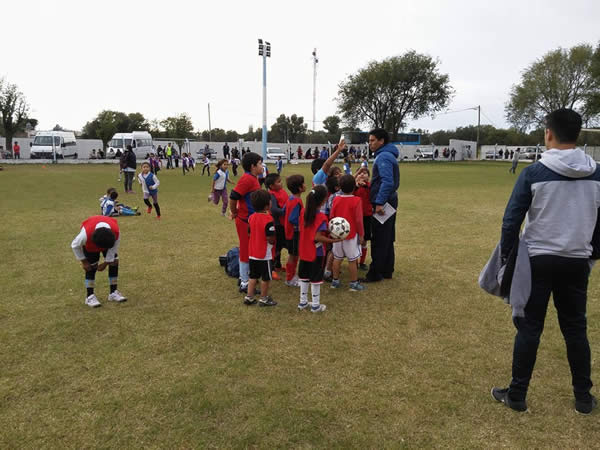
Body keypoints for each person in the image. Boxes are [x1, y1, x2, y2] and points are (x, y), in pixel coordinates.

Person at [491, 108, 599, 415]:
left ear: (548, 133)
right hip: (576, 260)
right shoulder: (597, 173)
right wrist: (592, 254)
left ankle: (518, 395)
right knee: (576, 329)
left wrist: (505, 258)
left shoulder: (534, 173)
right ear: (577, 134)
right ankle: (582, 398)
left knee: (529, 327)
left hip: (537, 259)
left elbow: (511, 221)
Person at [298, 185, 343, 313]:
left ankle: (302, 302)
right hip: (316, 253)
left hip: (304, 250)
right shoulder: (321, 217)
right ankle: (316, 305)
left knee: (304, 277)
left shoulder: (303, 212)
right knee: (316, 280)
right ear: (324, 200)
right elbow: (317, 237)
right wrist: (334, 240)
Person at [363, 128, 399, 283]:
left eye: (372, 140)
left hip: (383, 202)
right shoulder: (387, 155)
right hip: (389, 200)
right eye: (369, 140)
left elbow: (388, 182)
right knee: (388, 236)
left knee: (379, 238)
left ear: (381, 141)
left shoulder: (383, 156)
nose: (370, 143)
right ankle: (387, 270)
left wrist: (379, 203)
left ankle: (375, 273)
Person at [71, 215, 127, 307]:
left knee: (114, 261)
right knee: (90, 267)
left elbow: (113, 250)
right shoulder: (85, 235)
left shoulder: (116, 232)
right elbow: (74, 245)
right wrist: (84, 262)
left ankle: (113, 293)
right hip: (91, 243)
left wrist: (106, 263)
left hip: (107, 240)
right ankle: (90, 297)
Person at [230, 152, 263, 293]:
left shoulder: (253, 178)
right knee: (245, 250)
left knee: (249, 249)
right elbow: (234, 195)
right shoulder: (247, 179)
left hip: (251, 220)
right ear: (252, 166)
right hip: (245, 221)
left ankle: (245, 276)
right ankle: (244, 282)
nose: (262, 166)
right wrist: (234, 211)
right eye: (260, 163)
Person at [330, 174, 366, 291]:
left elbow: (332, 216)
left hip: (337, 235)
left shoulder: (336, 199)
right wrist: (361, 234)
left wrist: (333, 231)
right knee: (352, 259)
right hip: (350, 235)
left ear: (340, 187)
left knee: (337, 258)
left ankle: (335, 281)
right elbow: (359, 220)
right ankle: (353, 283)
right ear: (354, 187)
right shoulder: (356, 200)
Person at [244, 190, 277, 307]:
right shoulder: (268, 219)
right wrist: (273, 242)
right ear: (267, 205)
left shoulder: (251, 217)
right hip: (265, 254)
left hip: (252, 252)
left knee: (252, 276)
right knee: (266, 278)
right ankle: (263, 298)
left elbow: (249, 233)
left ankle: (249, 297)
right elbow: (270, 237)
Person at [284, 174, 305, 287]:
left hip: (289, 232)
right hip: (294, 233)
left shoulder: (290, 198)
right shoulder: (296, 201)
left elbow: (284, 211)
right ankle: (290, 278)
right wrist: (302, 223)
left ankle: (291, 276)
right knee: (293, 255)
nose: (305, 185)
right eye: (304, 183)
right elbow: (292, 218)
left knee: (293, 254)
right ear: (300, 188)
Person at [266, 173, 288, 277]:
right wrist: (285, 211)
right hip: (276, 224)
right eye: (278, 182)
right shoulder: (271, 195)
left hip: (284, 224)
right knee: (275, 247)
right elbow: (273, 210)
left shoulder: (282, 191)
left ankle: (278, 265)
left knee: (281, 244)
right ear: (271, 186)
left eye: (280, 180)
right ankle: (272, 268)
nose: (281, 183)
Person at [354, 167, 372, 271]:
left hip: (367, 216)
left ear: (368, 177)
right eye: (360, 173)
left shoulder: (369, 186)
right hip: (356, 217)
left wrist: (366, 186)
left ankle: (362, 262)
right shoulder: (353, 187)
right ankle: (354, 261)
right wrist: (356, 186)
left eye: (365, 173)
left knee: (364, 240)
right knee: (355, 241)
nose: (362, 175)